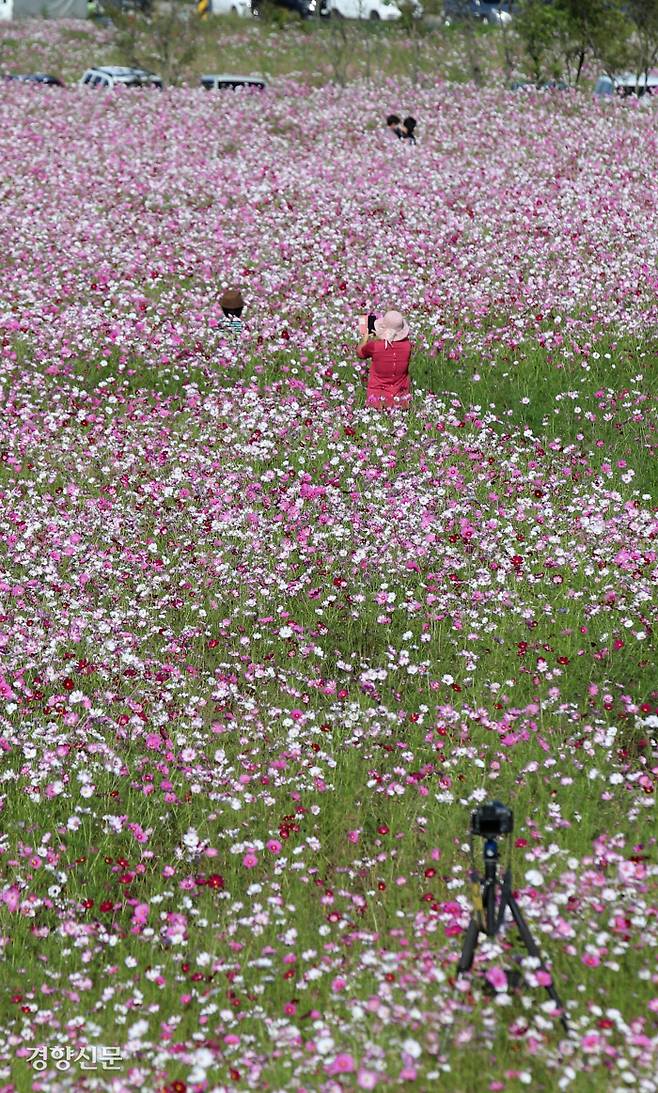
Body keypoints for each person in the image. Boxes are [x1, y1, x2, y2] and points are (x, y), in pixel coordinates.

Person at [356, 310, 412, 410]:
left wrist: (365, 337)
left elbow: (360, 353)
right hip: (400, 400)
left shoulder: (375, 346)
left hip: (377, 399)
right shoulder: (407, 346)